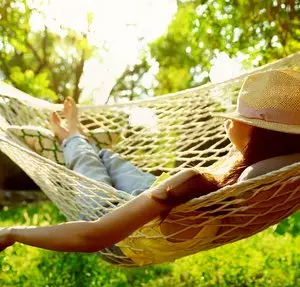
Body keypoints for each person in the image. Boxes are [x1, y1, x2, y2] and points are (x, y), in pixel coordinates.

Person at [1, 69, 300, 266]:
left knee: (86, 163)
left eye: (238, 117)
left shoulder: (198, 183)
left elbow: (90, 236)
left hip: (116, 222)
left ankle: (73, 138)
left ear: (257, 133)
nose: (230, 121)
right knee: (110, 159)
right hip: (161, 195)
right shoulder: (275, 183)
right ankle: (82, 137)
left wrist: (14, 232)